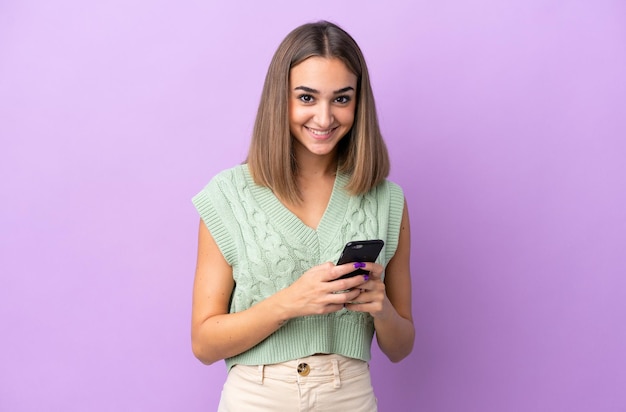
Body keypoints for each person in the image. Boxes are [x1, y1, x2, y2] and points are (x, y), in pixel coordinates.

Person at [191, 20, 414, 411]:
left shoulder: (386, 200)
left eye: (341, 99)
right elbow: (204, 344)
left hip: (349, 396)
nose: (325, 118)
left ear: (359, 103)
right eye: (307, 98)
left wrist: (381, 308)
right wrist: (291, 301)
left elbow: (401, 347)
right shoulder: (228, 196)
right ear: (281, 98)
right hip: (255, 398)